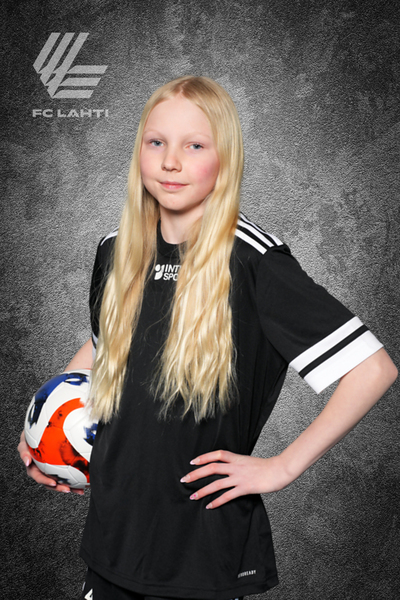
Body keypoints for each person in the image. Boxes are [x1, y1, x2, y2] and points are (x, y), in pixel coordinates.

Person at [19, 76, 397, 600]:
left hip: (199, 552)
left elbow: (373, 368)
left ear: (225, 158)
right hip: (112, 538)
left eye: (194, 146)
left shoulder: (253, 261)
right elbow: (107, 347)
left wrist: (282, 467)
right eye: (157, 142)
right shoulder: (115, 249)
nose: (171, 162)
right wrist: (48, 429)